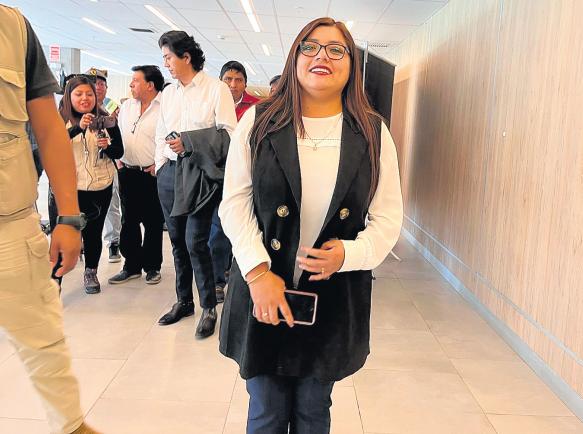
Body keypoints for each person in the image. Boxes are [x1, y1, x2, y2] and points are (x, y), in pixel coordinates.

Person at [218, 17, 403, 433]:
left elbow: (388, 218)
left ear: (351, 65)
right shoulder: (259, 121)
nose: (323, 56)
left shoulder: (372, 133)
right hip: (264, 290)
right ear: (295, 57)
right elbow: (234, 203)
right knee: (266, 410)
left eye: (337, 50)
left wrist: (349, 254)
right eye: (311, 46)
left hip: (332, 296)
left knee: (313, 410)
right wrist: (257, 272)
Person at [0, 5, 100, 433]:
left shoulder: (13, 28)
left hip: (10, 225)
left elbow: (47, 128)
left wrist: (69, 218)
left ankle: (71, 427)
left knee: (45, 344)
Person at [155, 31, 237, 339]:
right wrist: (161, 165)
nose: (166, 64)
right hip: (169, 174)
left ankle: (208, 307)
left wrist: (189, 142)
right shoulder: (169, 93)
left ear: (186, 57)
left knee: (195, 242)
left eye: (168, 57)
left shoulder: (216, 89)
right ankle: (184, 301)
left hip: (200, 176)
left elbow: (229, 134)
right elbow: (161, 132)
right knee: (177, 242)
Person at [59, 76, 124, 294]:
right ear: (69, 96)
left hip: (100, 185)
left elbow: (119, 151)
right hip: (70, 188)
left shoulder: (106, 120)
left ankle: (90, 271)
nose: (85, 98)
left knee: (93, 233)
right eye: (79, 94)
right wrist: (78, 128)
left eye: (89, 94)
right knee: (67, 234)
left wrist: (107, 146)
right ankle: (55, 280)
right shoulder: (60, 119)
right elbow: (52, 146)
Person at [108, 65, 165, 285]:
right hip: (127, 171)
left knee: (153, 221)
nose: (131, 84)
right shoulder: (127, 106)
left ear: (150, 85)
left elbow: (171, 136)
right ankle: (131, 266)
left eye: (135, 80)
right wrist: (118, 160)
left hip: (152, 174)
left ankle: (152, 267)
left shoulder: (164, 107)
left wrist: (160, 162)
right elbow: (119, 135)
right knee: (129, 221)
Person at [87, 67, 123, 263]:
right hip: (84, 166)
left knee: (111, 205)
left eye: (101, 84)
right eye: (94, 83)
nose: (98, 87)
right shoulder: (78, 108)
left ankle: (113, 242)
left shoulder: (112, 107)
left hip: (107, 162)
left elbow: (120, 139)